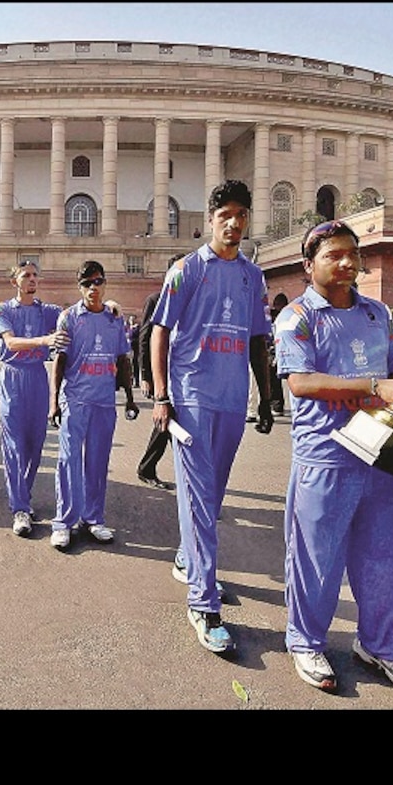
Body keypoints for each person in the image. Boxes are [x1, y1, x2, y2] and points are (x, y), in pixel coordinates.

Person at [274, 218, 393, 695]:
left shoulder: (378, 314)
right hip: (325, 455)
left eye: (352, 254)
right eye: (333, 255)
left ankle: (382, 646)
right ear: (309, 266)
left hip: (381, 453)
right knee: (316, 559)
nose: (347, 263)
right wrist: (375, 388)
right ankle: (305, 641)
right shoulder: (298, 317)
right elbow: (300, 382)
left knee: (384, 557)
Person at [150, 180, 274, 655]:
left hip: (232, 401)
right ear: (211, 217)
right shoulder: (185, 271)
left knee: (212, 497)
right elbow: (159, 332)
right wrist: (162, 396)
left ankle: (188, 558)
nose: (235, 222)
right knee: (201, 500)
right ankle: (203, 602)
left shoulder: (252, 277)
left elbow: (258, 339)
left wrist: (265, 397)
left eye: (242, 213)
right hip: (192, 400)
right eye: (226, 213)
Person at [47, 260, 137, 550]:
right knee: (68, 461)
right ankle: (64, 521)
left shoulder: (114, 320)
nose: (92, 288)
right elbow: (59, 361)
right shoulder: (69, 318)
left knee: (97, 463)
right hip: (75, 399)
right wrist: (54, 403)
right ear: (80, 287)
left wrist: (130, 398)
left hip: (103, 401)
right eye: (86, 283)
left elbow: (122, 360)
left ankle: (93, 518)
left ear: (104, 283)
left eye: (97, 282)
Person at [0, 261, 66, 536]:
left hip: (36, 376)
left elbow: (73, 315)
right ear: (15, 282)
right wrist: (44, 341)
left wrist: (110, 307)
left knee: (35, 442)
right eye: (26, 276)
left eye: (35, 275)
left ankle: (24, 494)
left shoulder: (47, 311)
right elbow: (10, 343)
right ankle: (20, 508)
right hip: (13, 376)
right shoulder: (1, 309)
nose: (32, 279)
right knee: (14, 444)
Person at [135, 255, 181, 490]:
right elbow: (145, 338)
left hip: (180, 373)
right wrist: (145, 375)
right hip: (159, 372)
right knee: (170, 422)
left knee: (170, 423)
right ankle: (151, 468)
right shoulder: (156, 300)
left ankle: (148, 468)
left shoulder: (190, 301)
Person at [268, 292, 289, 414]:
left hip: (279, 350)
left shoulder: (284, 316)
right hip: (275, 349)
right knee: (274, 378)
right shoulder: (274, 316)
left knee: (275, 379)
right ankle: (276, 404)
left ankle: (277, 404)